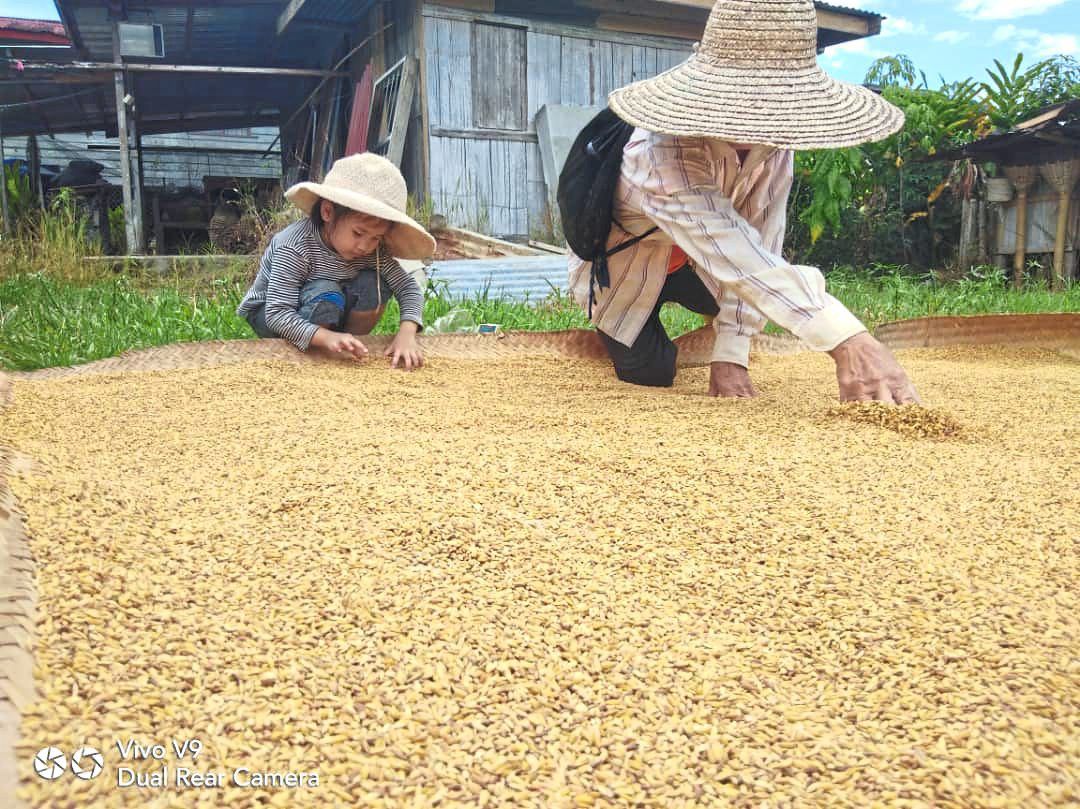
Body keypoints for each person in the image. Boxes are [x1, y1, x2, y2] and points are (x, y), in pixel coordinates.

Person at [568, 0, 920, 404]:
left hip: (700, 265)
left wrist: (731, 355)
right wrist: (849, 340)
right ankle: (619, 329)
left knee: (759, 302)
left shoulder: (774, 147)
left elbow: (761, 239)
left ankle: (714, 332)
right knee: (651, 372)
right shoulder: (658, 149)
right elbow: (732, 248)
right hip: (628, 264)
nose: (756, 117)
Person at [238, 153, 435, 370]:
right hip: (271, 313)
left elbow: (408, 288)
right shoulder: (294, 246)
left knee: (373, 284)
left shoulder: (373, 252)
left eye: (376, 238)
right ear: (327, 212)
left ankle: (349, 344)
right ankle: (321, 348)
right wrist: (324, 337)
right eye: (358, 233)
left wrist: (407, 334)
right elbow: (277, 314)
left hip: (326, 309)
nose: (365, 246)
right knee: (326, 291)